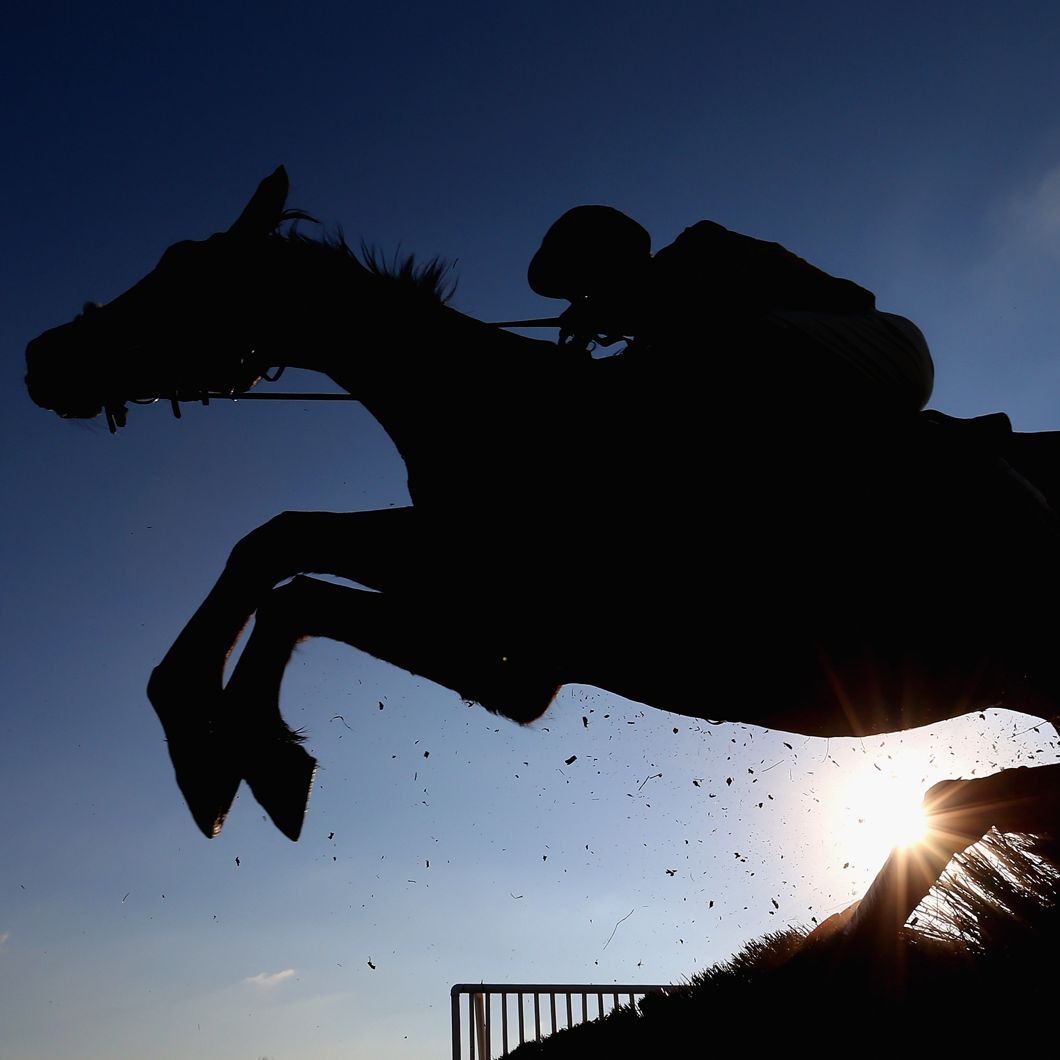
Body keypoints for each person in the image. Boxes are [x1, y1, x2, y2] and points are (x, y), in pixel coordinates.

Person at [528, 206, 935, 421]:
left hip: (877, 347)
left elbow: (854, 298)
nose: (582, 301)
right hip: (862, 366)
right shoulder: (673, 287)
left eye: (584, 288)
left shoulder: (696, 251)